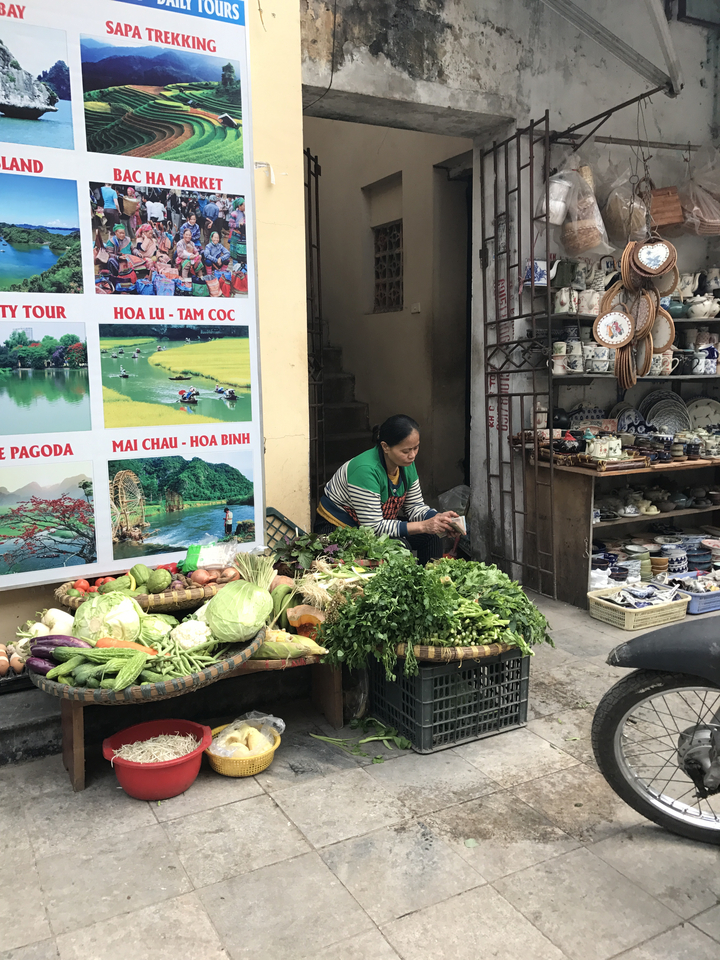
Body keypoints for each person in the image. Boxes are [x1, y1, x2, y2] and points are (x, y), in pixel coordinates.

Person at [315, 414, 459, 565]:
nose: (412, 455)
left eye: (416, 448)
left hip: (373, 525)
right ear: (385, 447)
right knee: (400, 547)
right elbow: (374, 528)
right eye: (406, 451)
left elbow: (414, 507)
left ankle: (431, 584)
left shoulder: (406, 464)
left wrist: (439, 520)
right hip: (338, 530)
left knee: (432, 537)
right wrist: (425, 525)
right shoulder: (365, 470)